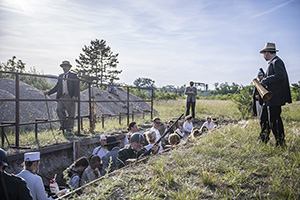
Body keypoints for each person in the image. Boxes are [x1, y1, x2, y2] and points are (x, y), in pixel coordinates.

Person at [260, 42, 292, 148]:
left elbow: (280, 75)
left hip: (275, 98)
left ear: (267, 52)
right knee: (264, 117)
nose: (264, 55)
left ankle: (280, 143)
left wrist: (265, 80)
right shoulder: (272, 62)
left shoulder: (277, 61)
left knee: (275, 120)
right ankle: (263, 138)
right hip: (269, 98)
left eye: (264, 53)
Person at [44, 61, 79, 133]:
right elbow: (57, 87)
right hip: (62, 97)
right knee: (59, 110)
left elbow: (76, 87)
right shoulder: (60, 76)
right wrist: (49, 92)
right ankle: (63, 125)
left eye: (66, 66)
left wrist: (75, 96)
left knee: (71, 112)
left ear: (69, 67)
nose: (64, 68)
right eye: (63, 66)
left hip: (69, 96)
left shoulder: (73, 76)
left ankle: (69, 128)